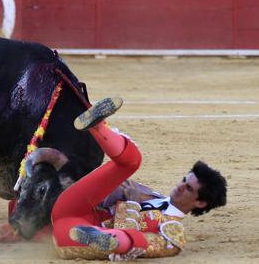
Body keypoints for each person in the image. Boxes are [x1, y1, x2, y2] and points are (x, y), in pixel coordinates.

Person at [52, 97, 227, 260]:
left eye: (189, 188)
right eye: (184, 180)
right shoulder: (152, 195)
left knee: (137, 242)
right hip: (73, 207)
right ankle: (97, 126)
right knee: (131, 162)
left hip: (70, 233)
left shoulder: (173, 231)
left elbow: (144, 250)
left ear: (200, 203)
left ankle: (110, 239)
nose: (180, 186)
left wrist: (132, 205)